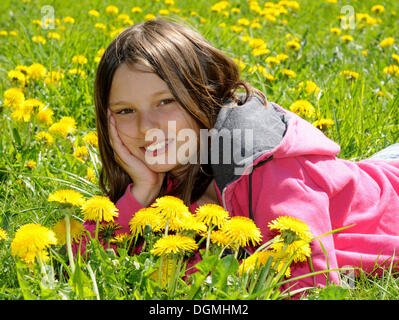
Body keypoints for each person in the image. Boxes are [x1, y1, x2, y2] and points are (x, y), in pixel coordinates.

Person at [82, 18, 399, 292]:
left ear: (203, 92)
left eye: (165, 102)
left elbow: (310, 285)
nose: (144, 126)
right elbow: (79, 263)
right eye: (125, 110)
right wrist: (140, 191)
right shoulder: (171, 175)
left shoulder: (267, 165)